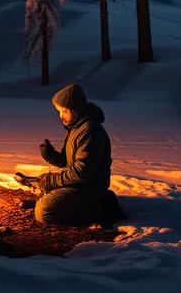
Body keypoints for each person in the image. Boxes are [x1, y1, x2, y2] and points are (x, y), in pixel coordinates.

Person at [33, 82, 118, 225]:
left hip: (89, 186)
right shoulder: (75, 127)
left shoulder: (90, 131)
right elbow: (68, 162)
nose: (60, 116)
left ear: (75, 109)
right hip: (78, 183)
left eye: (64, 111)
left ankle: (101, 209)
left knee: (44, 212)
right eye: (58, 111)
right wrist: (50, 155)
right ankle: (85, 203)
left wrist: (51, 181)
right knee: (46, 194)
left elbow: (82, 172)